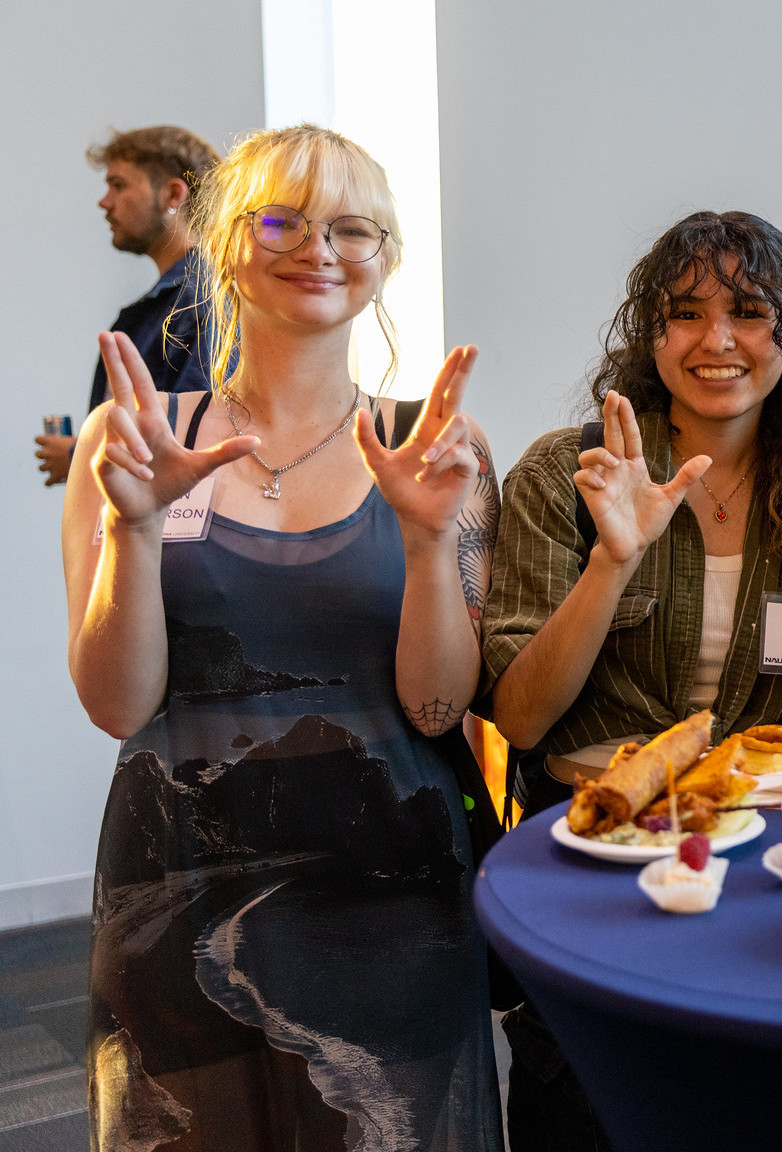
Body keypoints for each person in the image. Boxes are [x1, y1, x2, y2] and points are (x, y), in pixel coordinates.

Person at [61, 125, 503, 1149]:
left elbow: (440, 708)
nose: (321, 248)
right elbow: (116, 705)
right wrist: (133, 528)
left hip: (390, 894)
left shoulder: (433, 445)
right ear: (223, 240)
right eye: (283, 220)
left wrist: (432, 542)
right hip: (176, 888)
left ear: (386, 259)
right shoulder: (131, 436)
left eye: (355, 228)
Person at [478, 209, 782, 1149]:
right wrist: (612, 561)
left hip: (762, 870)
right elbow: (520, 713)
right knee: (590, 1115)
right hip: (593, 863)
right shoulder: (572, 474)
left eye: (750, 310)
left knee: (748, 1112)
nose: (717, 340)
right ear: (652, 334)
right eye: (685, 313)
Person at [37, 126, 221, 486]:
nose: (104, 202)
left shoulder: (203, 299)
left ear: (172, 194)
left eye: (118, 185)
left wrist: (80, 455)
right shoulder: (162, 305)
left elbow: (194, 435)